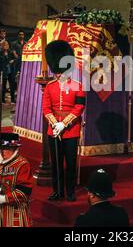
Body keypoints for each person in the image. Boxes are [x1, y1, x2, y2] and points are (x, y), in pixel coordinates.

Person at [42, 40, 86, 202]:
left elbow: (79, 107)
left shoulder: (77, 85)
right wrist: (55, 124)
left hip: (71, 130)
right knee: (56, 164)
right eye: (57, 71)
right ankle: (58, 191)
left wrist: (63, 124)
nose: (59, 74)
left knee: (71, 163)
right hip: (53, 130)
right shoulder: (49, 86)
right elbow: (46, 108)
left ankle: (70, 192)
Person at [0, 133, 33, 227]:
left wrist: (4, 198)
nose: (2, 151)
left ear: (13, 149)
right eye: (1, 148)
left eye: (6, 148)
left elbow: (25, 192)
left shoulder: (22, 164)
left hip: (15, 210)